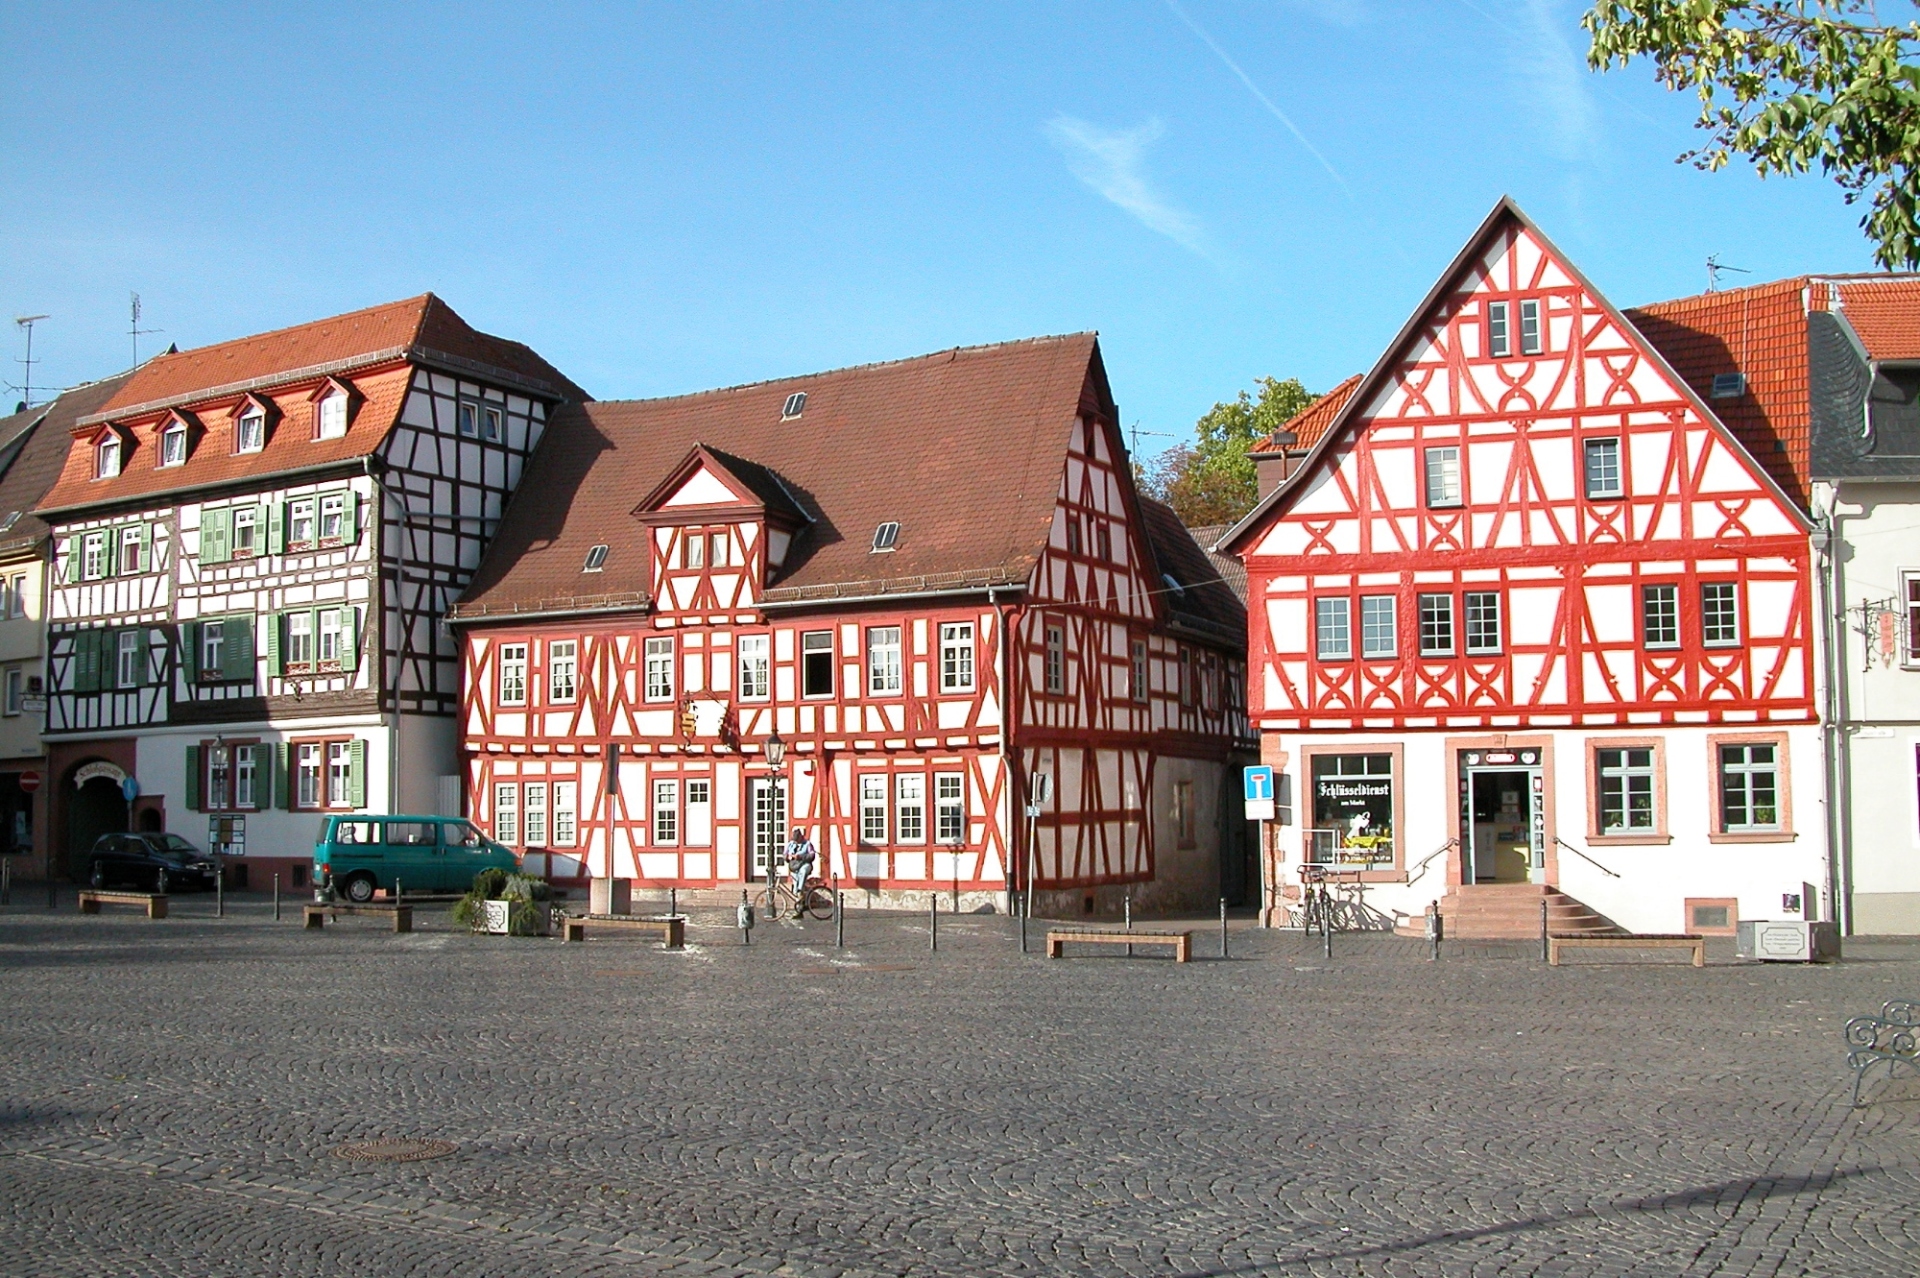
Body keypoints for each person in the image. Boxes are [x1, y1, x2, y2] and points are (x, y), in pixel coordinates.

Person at [783, 827, 818, 916]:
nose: (796, 841)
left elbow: (812, 855)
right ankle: (799, 910)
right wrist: (788, 857)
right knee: (795, 887)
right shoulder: (790, 844)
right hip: (795, 867)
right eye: (795, 840)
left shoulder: (807, 844)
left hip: (805, 865)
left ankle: (800, 889)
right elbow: (784, 855)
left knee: (803, 872)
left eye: (797, 839)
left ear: (801, 837)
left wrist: (801, 857)